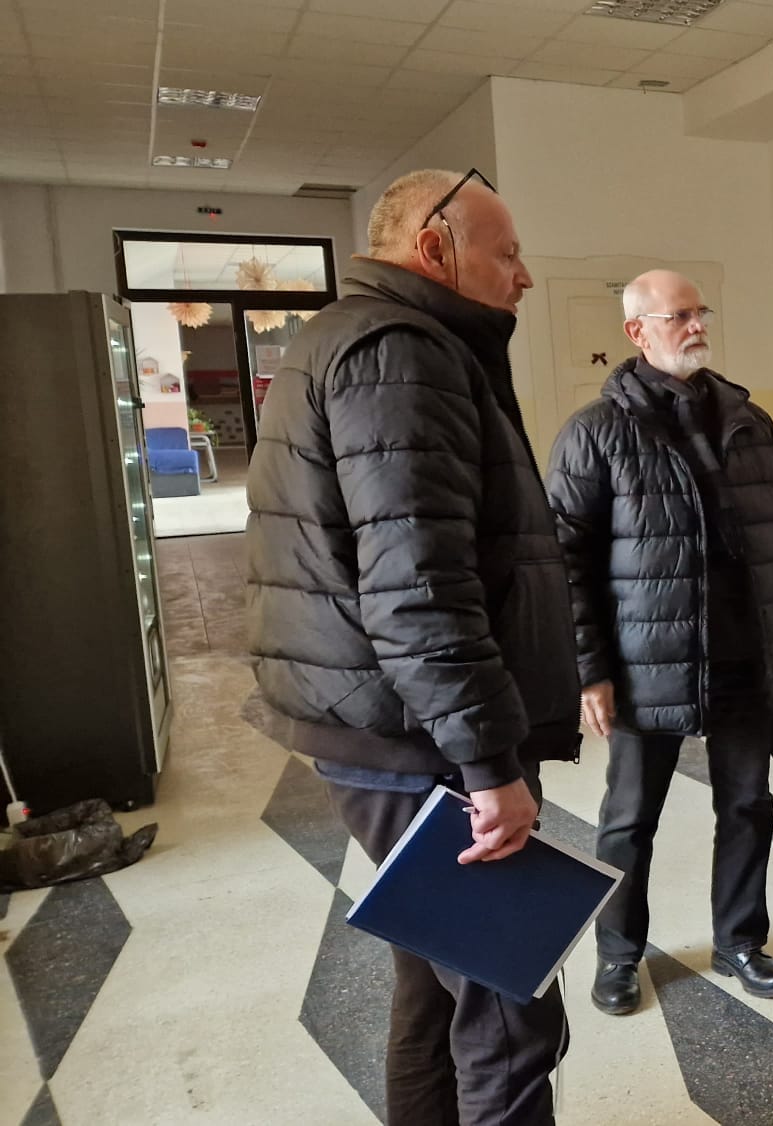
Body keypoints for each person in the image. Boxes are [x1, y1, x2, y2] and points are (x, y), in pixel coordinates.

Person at [246, 167, 578, 1126]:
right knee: (509, 1013)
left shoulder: (354, 335)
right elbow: (418, 585)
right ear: (435, 249)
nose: (524, 276)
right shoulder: (402, 352)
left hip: (385, 721)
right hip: (419, 735)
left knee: (435, 988)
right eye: (507, 254)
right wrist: (488, 765)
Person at [545, 269, 773, 1017]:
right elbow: (563, 560)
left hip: (744, 656)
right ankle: (618, 954)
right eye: (679, 316)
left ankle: (741, 941)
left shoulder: (748, 421)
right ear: (637, 332)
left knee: (748, 805)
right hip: (646, 665)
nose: (697, 325)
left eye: (701, 312)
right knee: (630, 819)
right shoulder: (596, 432)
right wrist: (590, 670)